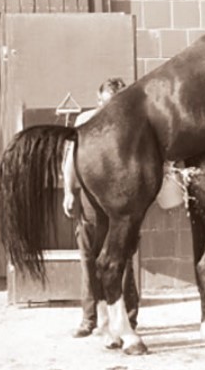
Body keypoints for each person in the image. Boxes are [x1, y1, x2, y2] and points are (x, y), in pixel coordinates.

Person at [62, 78, 140, 338]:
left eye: (115, 103)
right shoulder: (85, 121)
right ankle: (90, 317)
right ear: (99, 101)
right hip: (91, 198)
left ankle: (128, 316)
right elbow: (72, 158)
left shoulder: (131, 122)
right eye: (105, 103)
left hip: (121, 201)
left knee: (123, 256)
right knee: (89, 256)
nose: (109, 108)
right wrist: (68, 192)